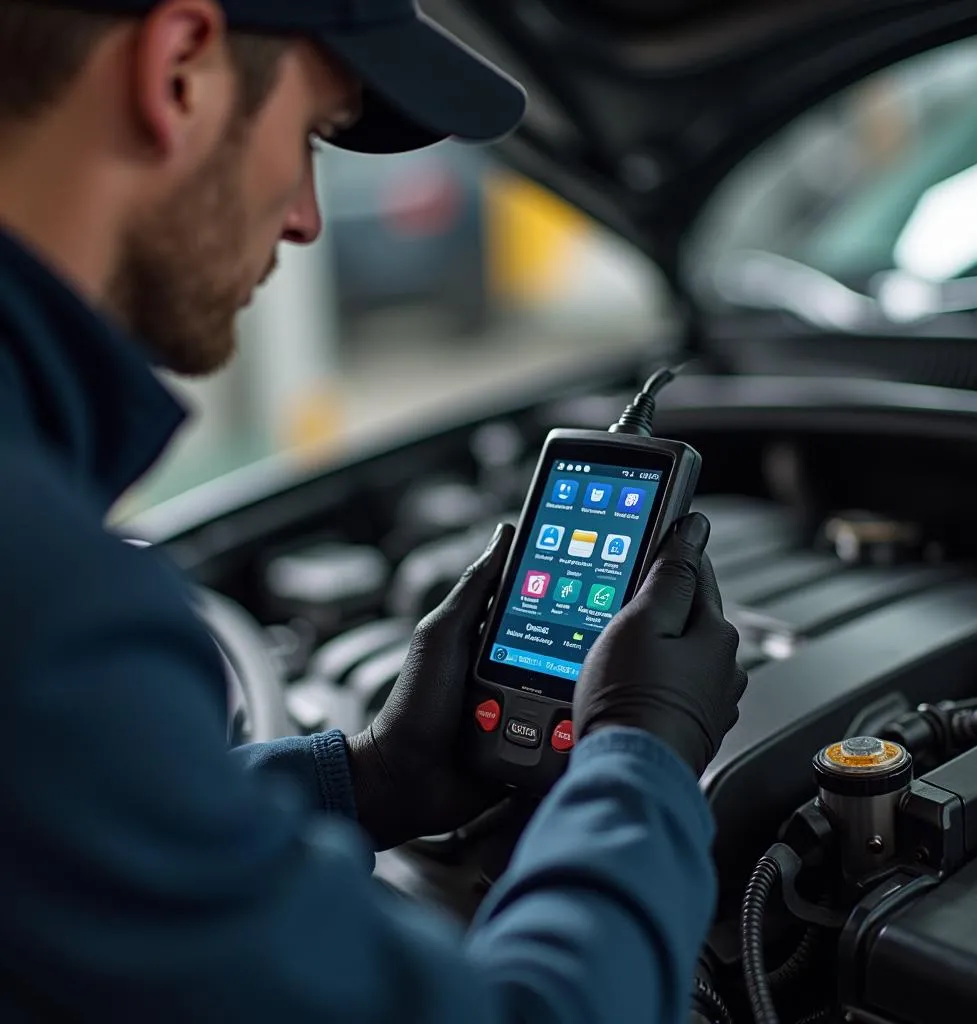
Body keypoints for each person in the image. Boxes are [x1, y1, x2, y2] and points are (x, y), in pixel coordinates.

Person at [0, 1, 748, 1020]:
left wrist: (368, 779)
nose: (308, 213)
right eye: (310, 133)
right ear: (180, 69)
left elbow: (62, 846)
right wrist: (641, 756)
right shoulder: (45, 599)